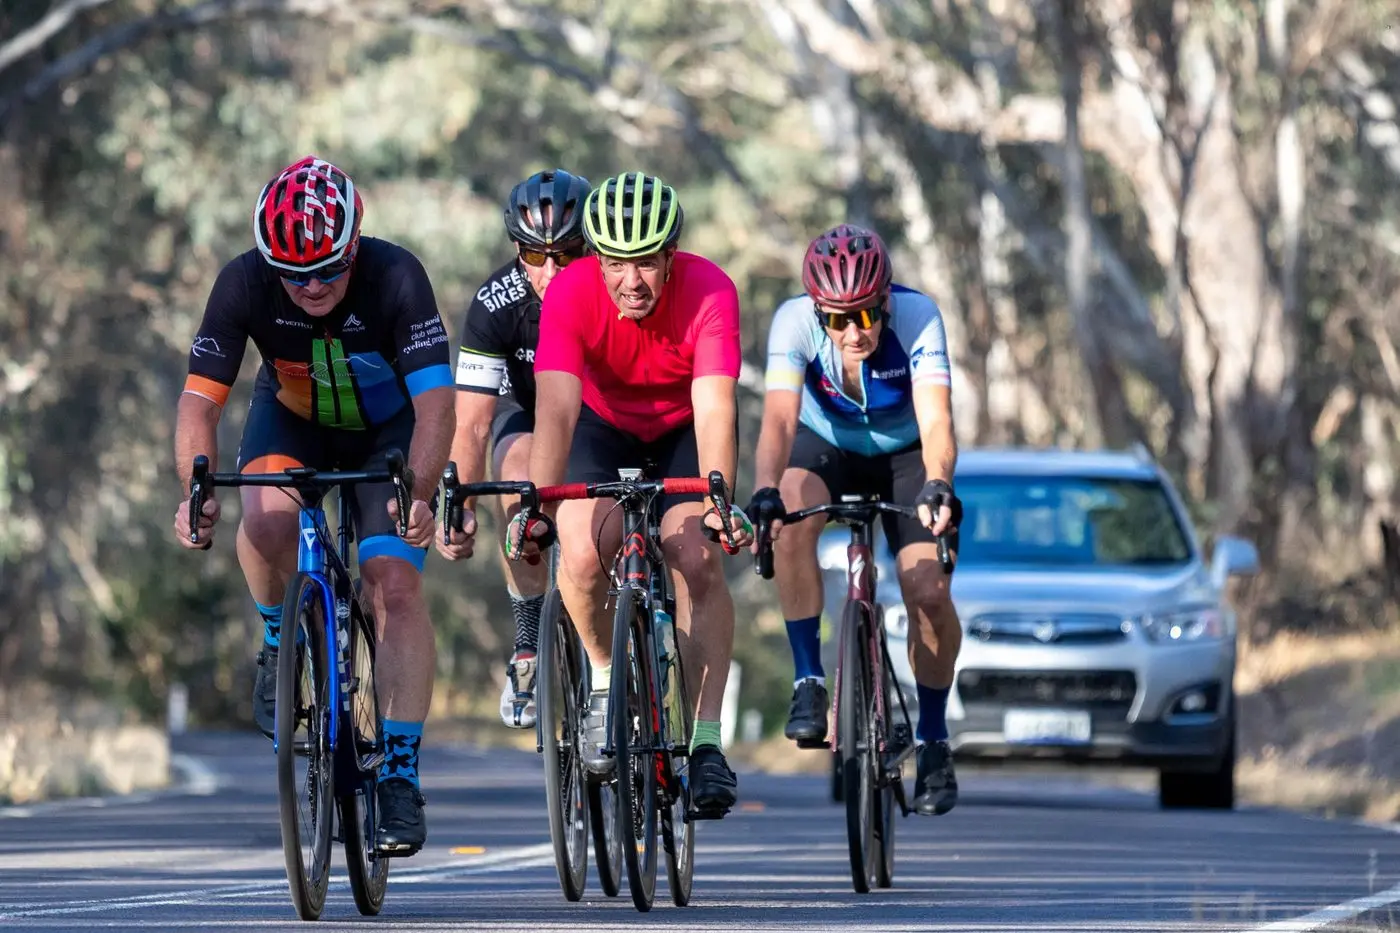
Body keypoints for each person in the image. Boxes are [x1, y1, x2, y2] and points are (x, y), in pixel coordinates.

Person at [171, 156, 454, 855]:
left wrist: (418, 491)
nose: (313, 286)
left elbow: (438, 405)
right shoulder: (242, 281)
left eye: (328, 269)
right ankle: (278, 640)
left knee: (392, 581)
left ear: (353, 245)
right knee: (264, 520)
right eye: (295, 274)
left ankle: (397, 773)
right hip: (291, 418)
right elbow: (198, 403)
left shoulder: (396, 276)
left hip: (387, 434)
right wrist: (195, 491)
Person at [517, 171, 754, 815]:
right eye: (617, 263)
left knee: (697, 556)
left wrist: (718, 501)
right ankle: (601, 678)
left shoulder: (711, 291)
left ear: (671, 257)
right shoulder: (568, 291)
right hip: (604, 426)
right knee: (583, 549)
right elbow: (557, 411)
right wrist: (535, 504)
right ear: (596, 259)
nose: (632, 280)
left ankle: (705, 744)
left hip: (681, 431)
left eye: (648, 262)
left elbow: (714, 410)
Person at [744, 223, 964, 816]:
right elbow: (780, 423)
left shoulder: (918, 318)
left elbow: (938, 421)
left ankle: (935, 739)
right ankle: (809, 680)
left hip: (905, 454)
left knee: (928, 590)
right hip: (828, 446)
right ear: (818, 311)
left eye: (866, 316)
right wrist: (764, 490)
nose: (853, 332)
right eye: (837, 320)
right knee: (787, 512)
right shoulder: (793, 324)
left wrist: (940, 481)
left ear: (885, 302)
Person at [435, 168, 592, 730]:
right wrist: (459, 503)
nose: (550, 271)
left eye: (567, 254)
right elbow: (472, 425)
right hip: (526, 414)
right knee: (520, 480)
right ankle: (529, 638)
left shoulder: (615, 289)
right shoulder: (494, 303)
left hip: (602, 416)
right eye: (534, 254)